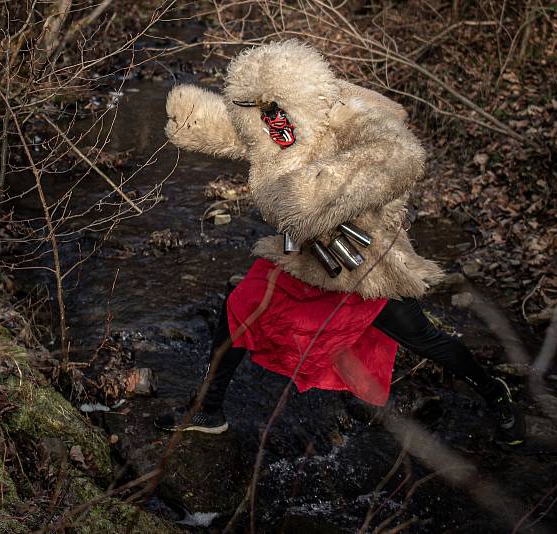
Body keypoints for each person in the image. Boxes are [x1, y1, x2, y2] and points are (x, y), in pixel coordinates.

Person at [154, 40, 525, 446]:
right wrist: (195, 119)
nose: (270, 120)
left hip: (363, 262)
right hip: (301, 253)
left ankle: (495, 393)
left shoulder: (345, 114)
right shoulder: (268, 121)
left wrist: (321, 192)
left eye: (273, 109)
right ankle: (208, 410)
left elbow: (396, 154)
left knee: (422, 338)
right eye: (261, 111)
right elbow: (238, 131)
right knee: (239, 307)